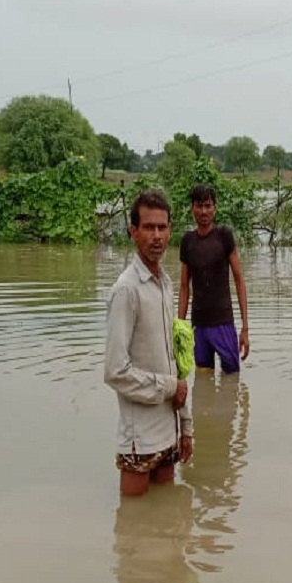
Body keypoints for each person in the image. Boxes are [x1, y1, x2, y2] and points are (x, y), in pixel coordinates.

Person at [105, 190, 193, 496]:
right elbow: (115, 371)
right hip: (139, 437)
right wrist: (171, 388)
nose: (157, 236)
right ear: (133, 233)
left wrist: (186, 426)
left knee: (166, 523)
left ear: (170, 231)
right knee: (134, 527)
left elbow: (175, 360)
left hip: (168, 428)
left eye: (162, 227)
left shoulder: (165, 284)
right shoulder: (126, 291)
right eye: (148, 227)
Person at [178, 184, 250, 373]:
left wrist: (245, 328)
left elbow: (239, 280)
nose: (204, 211)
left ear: (215, 208)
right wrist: (180, 327)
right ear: (192, 208)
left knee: (232, 377)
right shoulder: (187, 241)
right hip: (198, 324)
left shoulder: (224, 236)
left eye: (208, 206)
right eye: (199, 206)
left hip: (223, 322)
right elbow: (185, 286)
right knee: (203, 379)